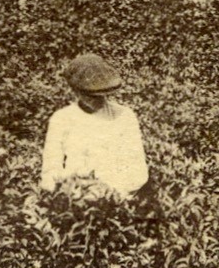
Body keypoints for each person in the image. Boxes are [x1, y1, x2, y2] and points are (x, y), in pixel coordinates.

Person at [39, 53, 149, 198]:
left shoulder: (124, 116)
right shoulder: (61, 119)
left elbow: (138, 170)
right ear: (76, 91)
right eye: (89, 95)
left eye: (101, 95)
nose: (96, 100)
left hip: (118, 199)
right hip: (74, 200)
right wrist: (71, 188)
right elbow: (50, 171)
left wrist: (111, 191)